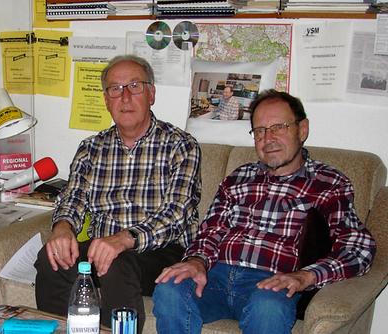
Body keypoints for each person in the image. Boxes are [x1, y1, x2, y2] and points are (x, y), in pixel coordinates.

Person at [152, 89, 376, 334]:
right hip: (216, 277)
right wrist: (196, 261)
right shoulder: (239, 177)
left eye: (278, 127)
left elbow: (358, 248)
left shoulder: (328, 182)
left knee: (269, 306)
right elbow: (210, 232)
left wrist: (305, 277)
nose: (268, 138)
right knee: (169, 287)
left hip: (270, 283)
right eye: (259, 131)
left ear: (302, 130)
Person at [34, 55, 202, 332]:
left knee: (117, 261)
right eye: (115, 89)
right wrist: (62, 227)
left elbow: (177, 214)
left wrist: (125, 239)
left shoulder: (181, 145)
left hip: (160, 251)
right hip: (104, 247)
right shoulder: (91, 147)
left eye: (134, 86)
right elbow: (73, 197)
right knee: (50, 258)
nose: (124, 97)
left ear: (151, 94)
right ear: (106, 99)